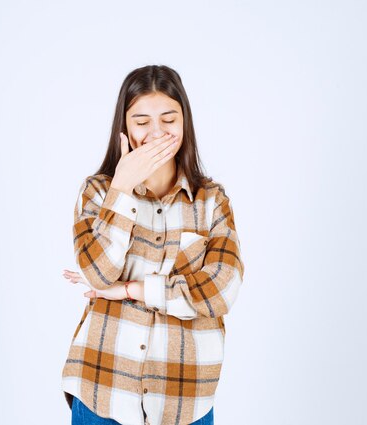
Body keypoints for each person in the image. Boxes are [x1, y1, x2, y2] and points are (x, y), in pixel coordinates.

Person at [60, 65, 245, 425]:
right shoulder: (97, 192)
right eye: (142, 122)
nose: (156, 133)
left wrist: (134, 289)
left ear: (184, 123)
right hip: (103, 388)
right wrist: (123, 187)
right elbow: (98, 274)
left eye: (168, 119)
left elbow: (221, 292)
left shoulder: (212, 201)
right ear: (125, 127)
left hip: (185, 399)